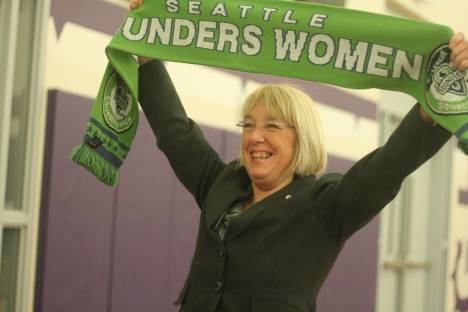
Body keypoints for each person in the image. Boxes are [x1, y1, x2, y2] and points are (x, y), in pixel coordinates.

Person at [130, 1, 468, 311]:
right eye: (248, 125)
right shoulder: (221, 183)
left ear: (302, 138)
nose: (255, 136)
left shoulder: (325, 206)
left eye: (272, 126)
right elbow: (177, 134)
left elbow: (390, 164)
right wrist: (146, 53)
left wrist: (443, 92)